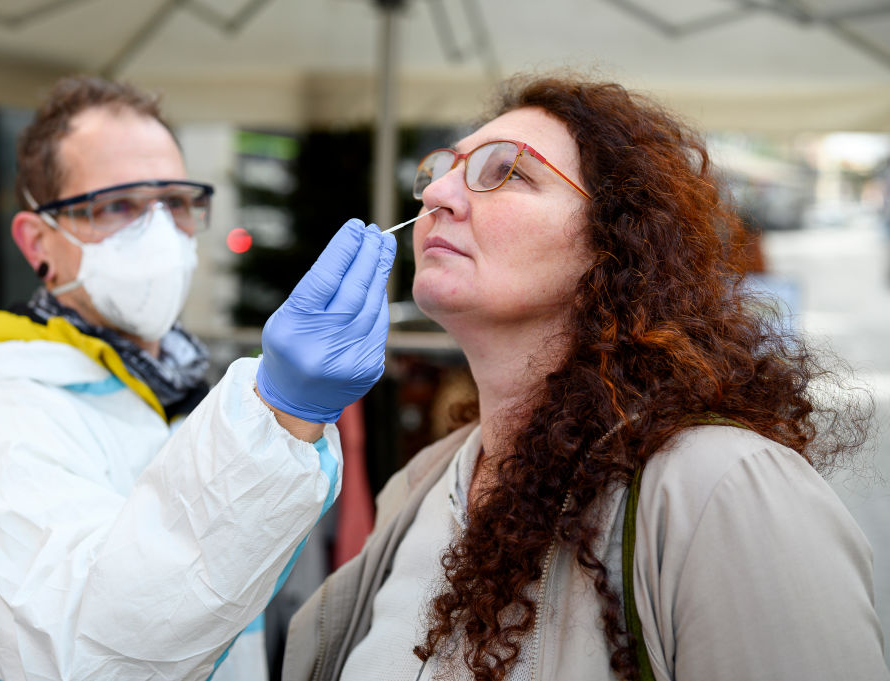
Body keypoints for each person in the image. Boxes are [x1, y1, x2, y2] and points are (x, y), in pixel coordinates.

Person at [282, 74, 890, 681]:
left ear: (613, 243)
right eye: (441, 169)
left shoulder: (723, 490)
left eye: (507, 172)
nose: (437, 193)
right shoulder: (416, 489)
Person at [0, 75, 397, 681]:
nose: (158, 232)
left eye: (176, 203)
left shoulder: (173, 382)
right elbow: (91, 653)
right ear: (37, 240)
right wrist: (278, 415)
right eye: (116, 205)